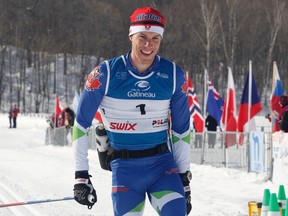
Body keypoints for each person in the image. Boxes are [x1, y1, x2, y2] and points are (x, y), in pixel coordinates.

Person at [73, 6, 192, 216]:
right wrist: (81, 176)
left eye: (155, 38)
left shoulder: (174, 75)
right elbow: (81, 124)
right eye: (142, 37)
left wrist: (184, 178)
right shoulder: (105, 73)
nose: (148, 45)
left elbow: (181, 130)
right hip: (125, 168)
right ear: (131, 36)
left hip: (162, 166)